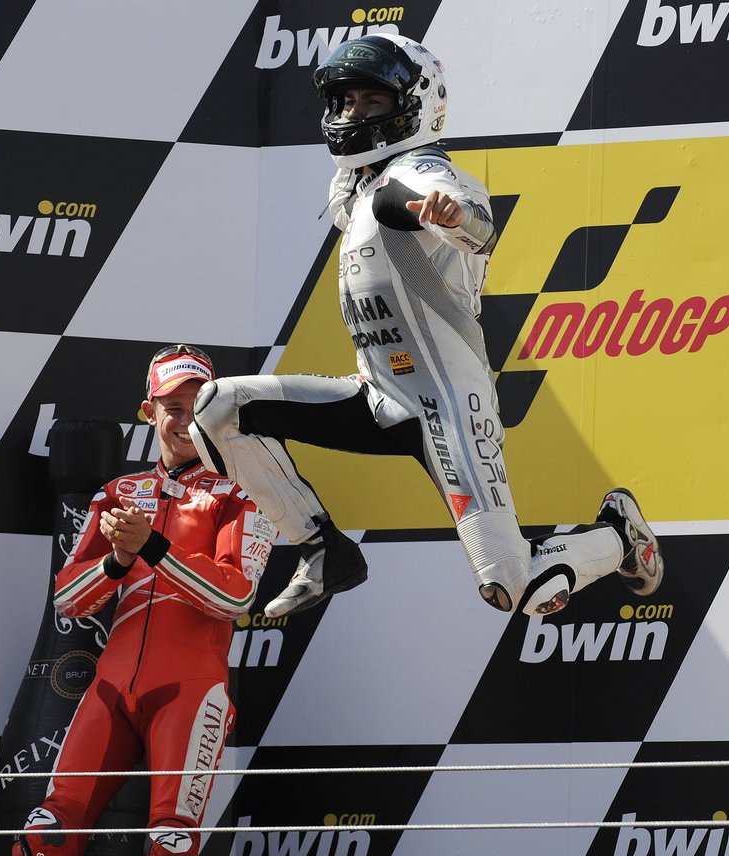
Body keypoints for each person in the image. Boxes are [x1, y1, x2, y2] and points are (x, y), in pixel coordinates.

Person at [189, 33, 661, 619]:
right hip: (377, 398)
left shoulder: (420, 173)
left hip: (448, 410)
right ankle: (323, 548)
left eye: (373, 102)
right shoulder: (358, 187)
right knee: (217, 408)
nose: (353, 114)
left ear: (415, 106)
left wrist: (457, 220)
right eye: (346, 102)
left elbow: (473, 221)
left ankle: (618, 536)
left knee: (516, 591)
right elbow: (355, 198)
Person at [12, 343, 276, 856]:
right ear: (148, 411)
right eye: (173, 407)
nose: (186, 420)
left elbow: (235, 598)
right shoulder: (117, 493)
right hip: (111, 689)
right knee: (44, 834)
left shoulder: (243, 494)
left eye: (199, 407)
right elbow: (68, 601)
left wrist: (153, 548)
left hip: (190, 690)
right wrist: (117, 559)